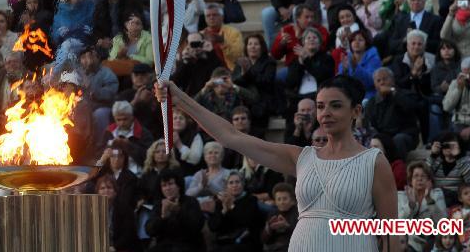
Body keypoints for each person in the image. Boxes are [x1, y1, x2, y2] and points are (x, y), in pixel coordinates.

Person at [155, 75, 399, 250]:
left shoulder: (373, 162)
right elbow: (231, 136)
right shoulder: (301, 157)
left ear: (356, 111)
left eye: (336, 106)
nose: (325, 113)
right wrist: (179, 99)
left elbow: (389, 237)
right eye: (321, 106)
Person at [145, 169, 206, 251]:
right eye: (164, 185)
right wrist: (162, 218)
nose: (167, 188)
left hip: (189, 244)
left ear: (179, 186)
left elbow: (196, 226)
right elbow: (149, 231)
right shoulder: (159, 204)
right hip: (165, 246)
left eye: (170, 184)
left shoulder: (191, 201)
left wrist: (178, 211)